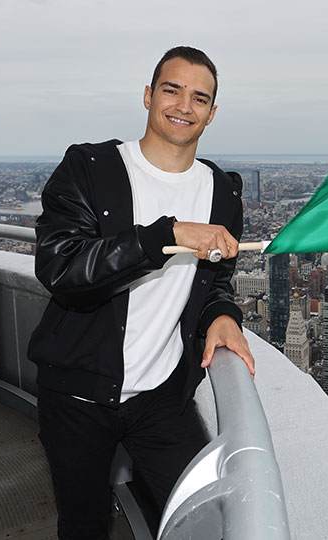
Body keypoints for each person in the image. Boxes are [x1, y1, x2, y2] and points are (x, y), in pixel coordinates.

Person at [27, 46, 254, 540]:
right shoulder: (90, 168)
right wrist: (164, 236)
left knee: (203, 518)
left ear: (211, 114)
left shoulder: (222, 191)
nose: (183, 106)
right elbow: (62, 269)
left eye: (199, 98)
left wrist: (221, 314)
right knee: (85, 523)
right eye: (171, 90)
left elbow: (215, 278)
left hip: (163, 396)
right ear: (149, 96)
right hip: (78, 392)